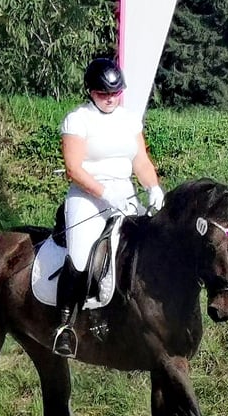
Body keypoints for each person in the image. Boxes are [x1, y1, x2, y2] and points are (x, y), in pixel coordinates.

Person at [53, 57, 164, 357]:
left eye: (115, 93)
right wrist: (104, 192)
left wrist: (153, 187)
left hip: (125, 195)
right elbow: (74, 168)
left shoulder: (129, 120)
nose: (110, 99)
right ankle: (64, 325)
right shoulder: (78, 120)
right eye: (104, 94)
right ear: (91, 91)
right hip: (88, 197)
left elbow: (139, 161)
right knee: (79, 257)